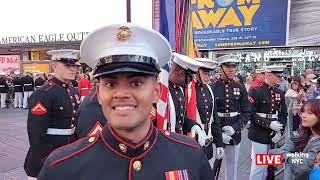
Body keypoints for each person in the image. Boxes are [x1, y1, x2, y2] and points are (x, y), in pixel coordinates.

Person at [38, 23, 214, 180]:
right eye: (111, 83)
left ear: (156, 92)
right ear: (98, 93)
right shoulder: (61, 169)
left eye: (136, 83)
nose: (121, 93)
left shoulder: (191, 156)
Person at [24, 49, 80, 179]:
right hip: (47, 156)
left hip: (66, 153)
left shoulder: (72, 90)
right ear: (54, 65)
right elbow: (36, 133)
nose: (73, 70)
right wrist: (45, 160)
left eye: (75, 66)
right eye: (67, 65)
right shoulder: (44, 93)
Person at [212, 54, 251, 180]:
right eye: (228, 66)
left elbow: (246, 112)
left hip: (234, 133)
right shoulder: (212, 87)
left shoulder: (240, 88)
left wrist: (235, 128)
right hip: (215, 133)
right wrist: (217, 134)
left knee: (232, 168)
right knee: (212, 167)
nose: (231, 69)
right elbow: (209, 114)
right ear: (221, 68)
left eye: (234, 66)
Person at [155, 52, 205, 146]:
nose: (192, 81)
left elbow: (181, 117)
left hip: (177, 143)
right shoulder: (160, 91)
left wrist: (193, 125)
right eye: (190, 77)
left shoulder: (180, 90)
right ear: (181, 73)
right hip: (163, 144)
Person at [248, 65, 288, 180]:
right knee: (259, 165)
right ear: (269, 75)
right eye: (278, 75)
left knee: (270, 165)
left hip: (274, 132)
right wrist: (269, 124)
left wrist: (280, 130)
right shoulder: (255, 91)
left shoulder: (279, 92)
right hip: (259, 132)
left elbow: (283, 114)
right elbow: (251, 113)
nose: (280, 78)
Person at [269, 99, 320, 180]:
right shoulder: (309, 134)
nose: (303, 115)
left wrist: (284, 156)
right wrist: (278, 153)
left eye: (309, 113)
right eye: (303, 111)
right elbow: (294, 142)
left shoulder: (318, 143)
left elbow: (304, 167)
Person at [194, 58, 224, 167]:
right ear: (196, 71)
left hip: (208, 143)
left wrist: (219, 143)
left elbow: (214, 118)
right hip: (194, 142)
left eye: (209, 73)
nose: (208, 77)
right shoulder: (189, 90)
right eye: (204, 73)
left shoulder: (209, 89)